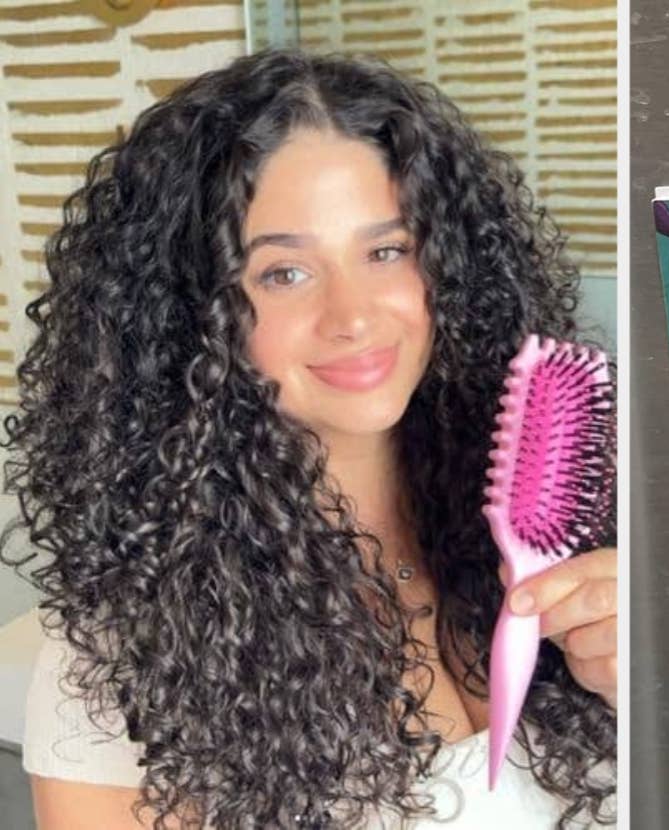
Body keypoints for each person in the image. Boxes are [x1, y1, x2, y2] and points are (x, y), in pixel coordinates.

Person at [2, 49, 617, 829]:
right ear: (191, 317)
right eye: (283, 273)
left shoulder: (588, 529)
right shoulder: (121, 664)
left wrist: (649, 692)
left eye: (387, 250)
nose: (353, 316)